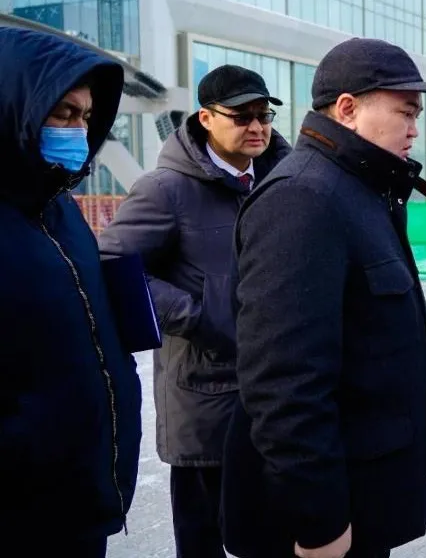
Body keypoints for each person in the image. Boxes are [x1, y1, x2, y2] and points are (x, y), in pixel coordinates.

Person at [221, 38, 426, 558]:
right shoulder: (303, 197)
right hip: (325, 519)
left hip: (363, 493)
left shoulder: (358, 190)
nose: (414, 129)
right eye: (405, 112)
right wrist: (319, 522)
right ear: (348, 109)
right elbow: (283, 382)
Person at [97, 65, 292, 558]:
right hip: (206, 401)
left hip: (275, 394)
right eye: (242, 116)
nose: (257, 127)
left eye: (264, 115)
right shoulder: (166, 190)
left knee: (273, 536)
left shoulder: (283, 180)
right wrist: (198, 316)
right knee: (205, 541)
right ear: (206, 118)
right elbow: (113, 265)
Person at [0, 26, 142, 556]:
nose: (78, 130)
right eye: (62, 113)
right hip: (20, 514)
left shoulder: (61, 210)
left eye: (85, 116)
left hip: (85, 499)